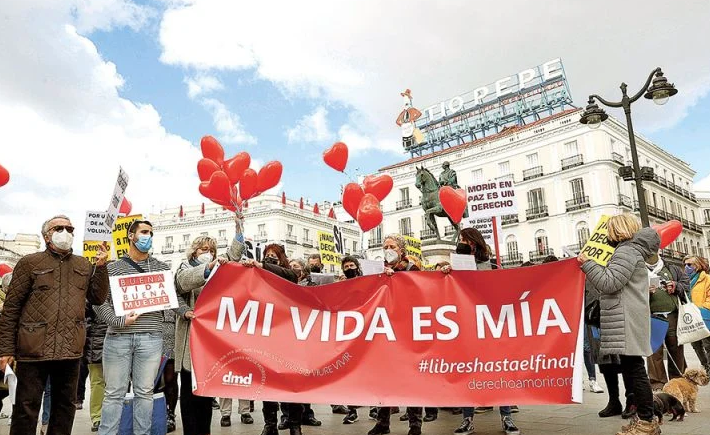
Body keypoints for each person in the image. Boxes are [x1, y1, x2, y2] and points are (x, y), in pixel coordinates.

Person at [0, 215, 109, 435]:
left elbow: (97, 298)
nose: (65, 232)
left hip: (70, 350)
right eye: (59, 228)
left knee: (64, 409)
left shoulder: (83, 265)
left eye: (70, 228)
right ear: (46, 236)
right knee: (26, 409)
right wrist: (6, 350)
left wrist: (101, 267)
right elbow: (11, 309)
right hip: (33, 349)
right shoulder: (29, 263)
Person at [578, 213, 661, 435]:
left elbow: (609, 282)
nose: (607, 233)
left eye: (610, 229)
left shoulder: (625, 251)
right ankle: (645, 419)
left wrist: (588, 264)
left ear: (618, 230)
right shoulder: (631, 251)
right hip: (628, 317)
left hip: (625, 318)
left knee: (635, 370)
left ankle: (647, 422)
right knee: (633, 368)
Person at [94, 220, 170, 435]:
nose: (148, 236)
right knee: (113, 394)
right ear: (130, 236)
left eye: (151, 233)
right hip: (118, 338)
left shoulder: (162, 269)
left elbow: (172, 300)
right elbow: (99, 302)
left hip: (151, 337)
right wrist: (119, 321)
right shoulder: (112, 268)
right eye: (144, 232)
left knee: (145, 393)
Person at [442, 228, 520, 435]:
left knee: (499, 370)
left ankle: (507, 417)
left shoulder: (491, 267)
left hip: (490, 326)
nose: (461, 242)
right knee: (467, 372)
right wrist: (447, 274)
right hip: (467, 327)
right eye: (460, 240)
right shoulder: (456, 266)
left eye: (464, 239)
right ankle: (467, 419)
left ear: (473, 242)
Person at [175, 223, 247, 435]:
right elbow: (182, 284)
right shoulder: (184, 267)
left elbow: (233, 256)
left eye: (211, 250)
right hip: (190, 338)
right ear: (194, 251)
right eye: (203, 249)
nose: (208, 253)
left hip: (210, 340)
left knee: (206, 392)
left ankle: (205, 430)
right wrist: (185, 311)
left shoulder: (218, 268)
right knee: (189, 391)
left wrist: (239, 231)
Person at [241, 244, 305, 435]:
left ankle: (295, 424)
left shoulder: (289, 273)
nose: (269, 257)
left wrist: (262, 265)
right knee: (267, 380)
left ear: (281, 258)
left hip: (288, 335)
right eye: (267, 255)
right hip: (266, 334)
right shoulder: (257, 275)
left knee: (292, 382)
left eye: (273, 255)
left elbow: (291, 275)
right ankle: (270, 424)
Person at [369, 234, 424, 435]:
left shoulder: (413, 269)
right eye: (385, 247)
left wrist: (397, 278)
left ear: (402, 250)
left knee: (412, 379)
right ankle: (382, 423)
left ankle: (415, 424)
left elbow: (420, 292)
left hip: (408, 332)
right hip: (385, 330)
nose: (388, 250)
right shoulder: (378, 270)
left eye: (392, 246)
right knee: (384, 378)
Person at [278, 259, 322, 429]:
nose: (292, 268)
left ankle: (306, 414)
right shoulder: (281, 285)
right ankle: (286, 416)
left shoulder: (312, 286)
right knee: (285, 379)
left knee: (304, 379)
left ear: (303, 270)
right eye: (290, 266)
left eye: (296, 266)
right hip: (286, 336)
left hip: (305, 336)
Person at [644, 251, 688, 390]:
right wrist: (644, 291)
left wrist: (675, 285)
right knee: (654, 352)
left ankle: (678, 383)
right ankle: (658, 385)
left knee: (676, 350)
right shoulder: (638, 270)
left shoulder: (671, 268)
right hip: (652, 317)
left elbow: (685, 284)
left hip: (672, 315)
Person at [684, 255, 710, 373]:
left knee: (707, 344)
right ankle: (705, 366)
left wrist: (702, 308)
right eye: (685, 264)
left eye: (689, 264)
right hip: (691, 318)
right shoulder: (685, 280)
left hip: (704, 316)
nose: (686, 267)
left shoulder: (706, 279)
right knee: (695, 345)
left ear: (697, 265)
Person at [85, 301, 107, 432]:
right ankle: (97, 416)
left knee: (119, 382)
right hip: (96, 339)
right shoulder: (93, 293)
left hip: (117, 336)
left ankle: (103, 416)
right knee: (97, 381)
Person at [160, 308, 178, 433]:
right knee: (153, 382)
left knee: (170, 380)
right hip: (151, 338)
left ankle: (170, 414)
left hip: (172, 339)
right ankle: (158, 412)